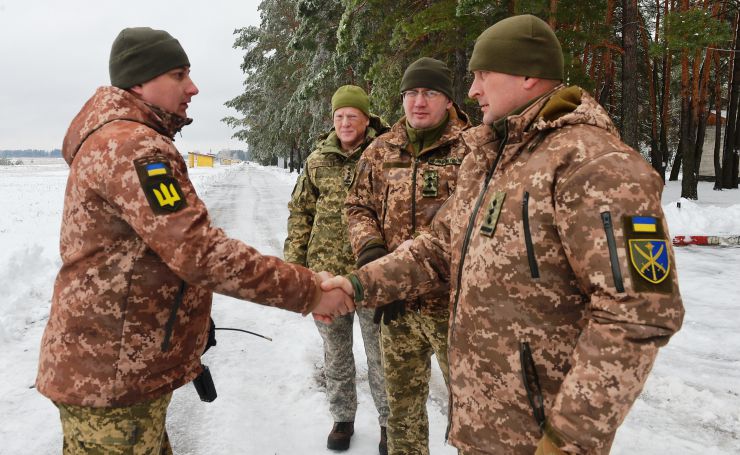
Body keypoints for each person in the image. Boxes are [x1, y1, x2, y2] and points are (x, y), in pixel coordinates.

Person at [323, 14, 684, 455]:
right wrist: (359, 284)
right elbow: (437, 248)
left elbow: (640, 312)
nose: (472, 90)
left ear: (528, 75)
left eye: (482, 75)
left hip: (538, 436)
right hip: (484, 426)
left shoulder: (596, 165)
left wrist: (568, 441)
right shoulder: (491, 157)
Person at [36, 27, 352, 455]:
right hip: (111, 377)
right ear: (140, 81)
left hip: (118, 369)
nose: (193, 87)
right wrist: (310, 291)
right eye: (179, 75)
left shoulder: (125, 140)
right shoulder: (133, 147)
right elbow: (198, 252)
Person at [345, 57, 471, 455]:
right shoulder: (381, 151)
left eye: (430, 92)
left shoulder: (473, 149)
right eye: (411, 93)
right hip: (396, 306)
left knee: (474, 410)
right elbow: (357, 205)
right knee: (401, 409)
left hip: (454, 306)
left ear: (448, 100)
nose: (419, 102)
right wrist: (371, 253)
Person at [284, 85, 390, 453]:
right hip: (326, 278)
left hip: (372, 276)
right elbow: (301, 214)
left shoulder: (384, 155)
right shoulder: (317, 160)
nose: (345, 122)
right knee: (336, 351)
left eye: (352, 116)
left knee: (381, 354)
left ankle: (389, 423)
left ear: (366, 119)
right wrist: (295, 268)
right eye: (339, 116)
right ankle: (342, 417)